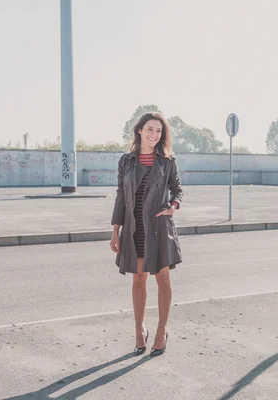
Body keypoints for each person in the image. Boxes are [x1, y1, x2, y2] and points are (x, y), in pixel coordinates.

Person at [109, 112, 183, 357]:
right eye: (150, 129)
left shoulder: (167, 161)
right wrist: (115, 231)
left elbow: (177, 190)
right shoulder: (126, 161)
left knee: (162, 279)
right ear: (139, 130)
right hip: (134, 228)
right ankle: (139, 329)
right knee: (139, 278)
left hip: (159, 227)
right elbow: (121, 196)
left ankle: (162, 331)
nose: (154, 135)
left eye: (159, 131)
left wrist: (172, 207)